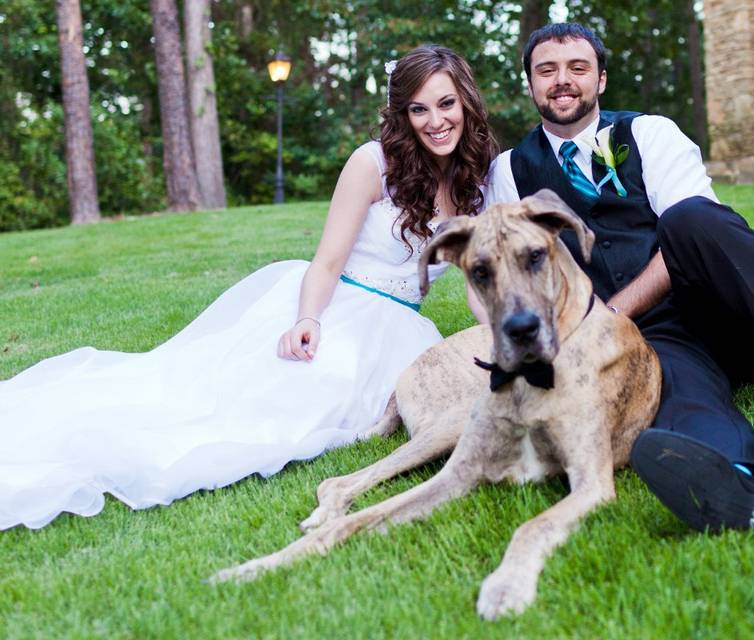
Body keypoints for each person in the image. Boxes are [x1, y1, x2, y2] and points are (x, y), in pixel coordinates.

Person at [0, 45, 497, 531]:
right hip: (340, 304)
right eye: (419, 109)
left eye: (446, 104)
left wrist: (499, 333)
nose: (435, 120)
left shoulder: (470, 178)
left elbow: (476, 275)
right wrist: (307, 319)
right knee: (254, 407)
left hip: (401, 331)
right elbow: (326, 261)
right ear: (402, 114)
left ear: (466, 102)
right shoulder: (373, 163)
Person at [486, 23, 754, 531]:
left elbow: (696, 241)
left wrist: (609, 317)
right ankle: (738, 483)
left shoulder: (649, 134)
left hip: (717, 311)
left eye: (577, 68)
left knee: (691, 218)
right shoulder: (509, 172)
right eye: (546, 70)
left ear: (602, 79)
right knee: (667, 380)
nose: (562, 81)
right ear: (529, 83)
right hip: (647, 342)